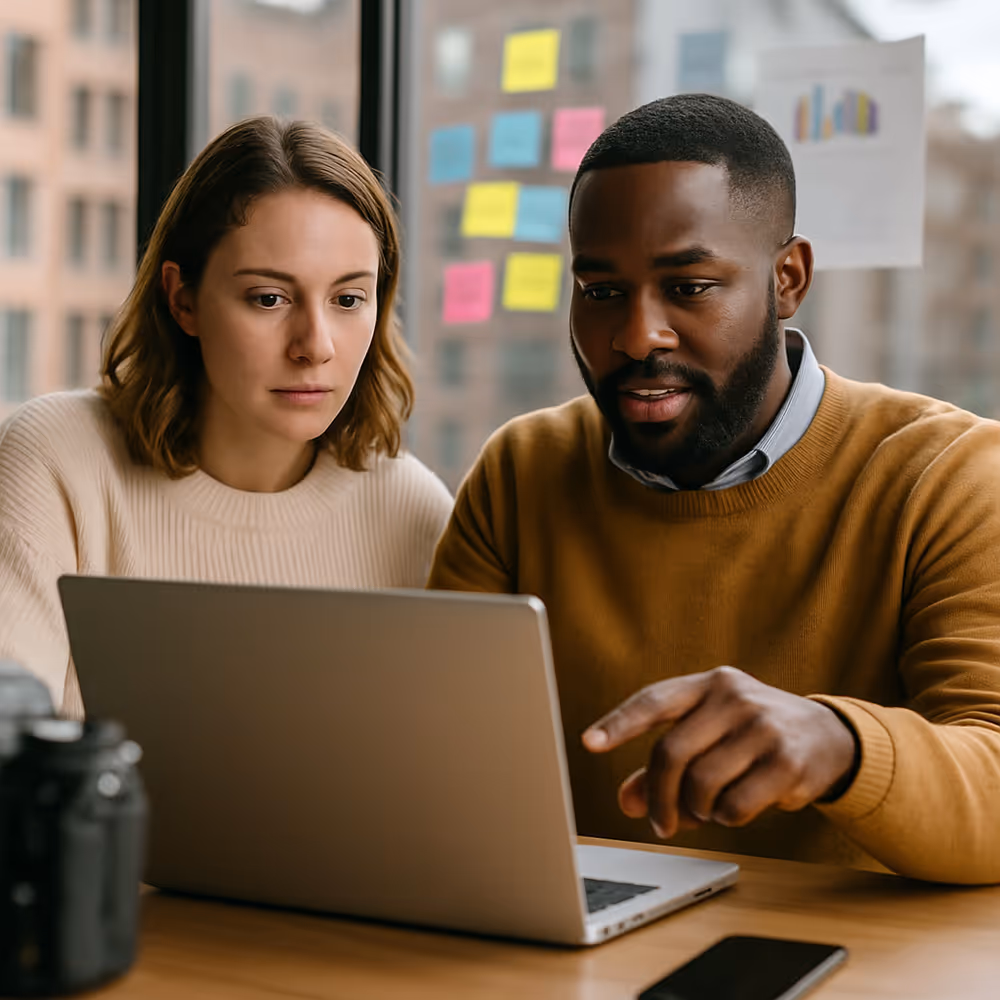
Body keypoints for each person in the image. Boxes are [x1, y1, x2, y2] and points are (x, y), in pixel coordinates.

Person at [429, 94, 1000, 884]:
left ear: (788, 278)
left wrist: (839, 744)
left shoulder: (947, 475)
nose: (636, 336)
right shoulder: (523, 468)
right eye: (600, 292)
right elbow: (435, 763)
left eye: (689, 286)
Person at [0, 116, 452, 717]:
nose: (315, 345)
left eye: (348, 299)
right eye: (269, 298)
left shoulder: (414, 512)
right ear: (182, 299)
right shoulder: (58, 459)